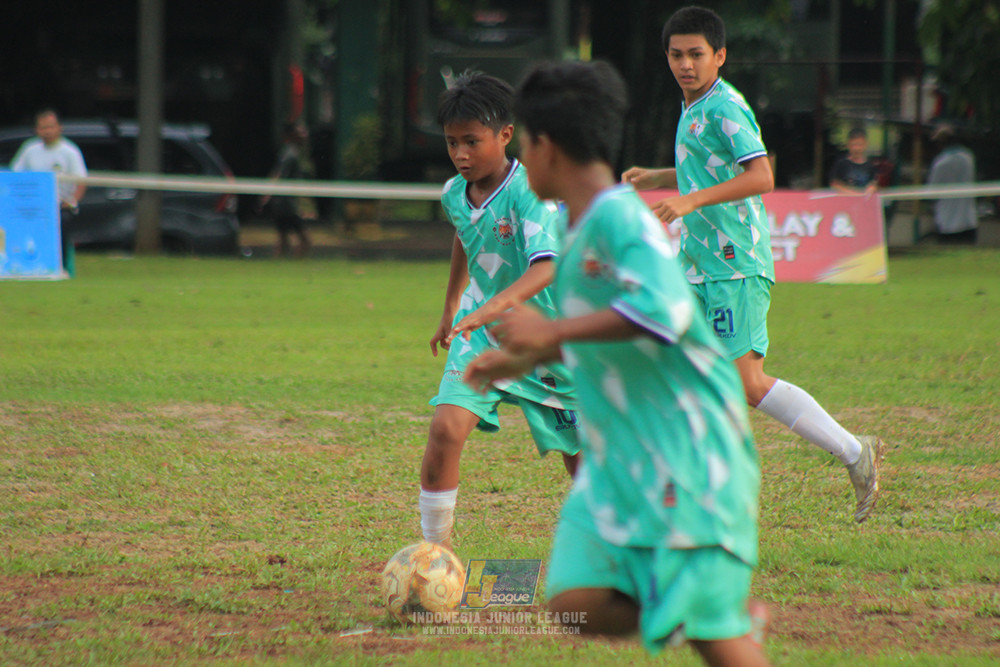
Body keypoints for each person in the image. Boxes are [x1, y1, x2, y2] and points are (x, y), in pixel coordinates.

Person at [465, 60, 770, 666]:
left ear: (545, 148)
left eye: (524, 145)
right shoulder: (575, 227)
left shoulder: (622, 218)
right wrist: (532, 351)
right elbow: (614, 327)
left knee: (714, 639)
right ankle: (695, 607)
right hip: (626, 459)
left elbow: (661, 312)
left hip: (686, 452)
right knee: (575, 601)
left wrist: (551, 330)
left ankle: (712, 613)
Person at [621, 6, 883, 523]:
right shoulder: (692, 105)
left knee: (747, 383)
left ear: (719, 56)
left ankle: (855, 453)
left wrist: (690, 201)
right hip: (696, 263)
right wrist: (659, 176)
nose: (686, 64)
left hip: (734, 263)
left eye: (696, 54)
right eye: (676, 55)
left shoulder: (726, 106)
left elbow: (761, 175)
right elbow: (708, 165)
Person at [420, 70, 581, 549]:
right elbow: (465, 235)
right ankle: (434, 555)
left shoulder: (529, 192)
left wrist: (490, 308)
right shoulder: (454, 192)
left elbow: (546, 267)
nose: (461, 154)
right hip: (481, 331)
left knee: (586, 466)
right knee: (446, 429)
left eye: (472, 141)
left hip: (545, 336)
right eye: (452, 143)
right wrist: (452, 306)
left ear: (506, 134)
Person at [10, 108, 87, 276]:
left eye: (51, 127)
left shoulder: (70, 151)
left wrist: (72, 201)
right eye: (43, 127)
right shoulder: (29, 149)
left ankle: (62, 268)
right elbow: (15, 175)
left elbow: (81, 180)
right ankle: (21, 266)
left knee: (62, 223)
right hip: (32, 206)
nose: (47, 131)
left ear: (59, 128)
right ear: (36, 130)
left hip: (60, 206)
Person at [257, 121, 313, 258]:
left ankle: (280, 265)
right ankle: (297, 265)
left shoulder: (290, 153)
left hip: (284, 202)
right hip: (285, 204)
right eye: (301, 132)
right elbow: (278, 175)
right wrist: (267, 195)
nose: (305, 135)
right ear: (292, 135)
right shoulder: (290, 154)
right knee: (305, 240)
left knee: (283, 241)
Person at [927, 124, 977, 244]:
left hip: (946, 223)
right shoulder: (968, 158)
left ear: (940, 143)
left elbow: (932, 193)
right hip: (968, 221)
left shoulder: (940, 164)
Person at [830, 127, 879, 196]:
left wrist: (872, 188)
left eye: (860, 144)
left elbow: (874, 183)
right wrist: (853, 194)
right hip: (846, 200)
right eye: (854, 144)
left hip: (863, 201)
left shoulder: (870, 165)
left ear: (865, 145)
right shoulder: (841, 164)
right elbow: (835, 184)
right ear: (848, 145)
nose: (857, 148)